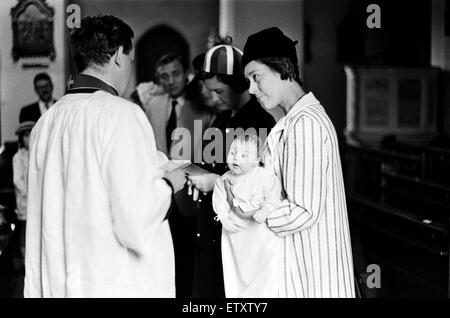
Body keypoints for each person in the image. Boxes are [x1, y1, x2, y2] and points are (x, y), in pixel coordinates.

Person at [24, 15, 186, 298]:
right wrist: (171, 182)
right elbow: (135, 221)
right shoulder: (121, 114)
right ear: (119, 56)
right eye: (131, 57)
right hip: (110, 282)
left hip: (60, 283)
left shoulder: (47, 121)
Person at [241, 27, 355, 297]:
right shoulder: (290, 121)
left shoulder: (306, 124)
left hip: (315, 275)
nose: (251, 89)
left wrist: (249, 213)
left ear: (283, 68)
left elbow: (302, 211)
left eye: (256, 77)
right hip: (298, 268)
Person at [186, 44, 276, 297]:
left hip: (241, 239)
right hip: (211, 228)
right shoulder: (223, 117)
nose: (215, 97)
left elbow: (265, 185)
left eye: (219, 90)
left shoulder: (260, 121)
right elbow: (206, 160)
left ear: (238, 83)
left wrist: (214, 181)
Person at [212, 134, 283, 297]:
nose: (236, 157)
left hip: (258, 234)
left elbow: (273, 194)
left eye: (244, 155)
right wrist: (223, 218)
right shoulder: (224, 180)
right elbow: (219, 202)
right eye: (233, 153)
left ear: (256, 159)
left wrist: (266, 209)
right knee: (237, 268)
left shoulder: (264, 177)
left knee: (261, 270)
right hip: (236, 232)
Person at [13, 121, 35, 260]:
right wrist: (28, 192)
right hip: (26, 199)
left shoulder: (36, 153)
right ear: (22, 138)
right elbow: (17, 180)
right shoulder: (18, 157)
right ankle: (25, 257)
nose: (29, 139)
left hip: (36, 198)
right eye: (26, 136)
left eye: (31, 135)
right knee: (25, 228)